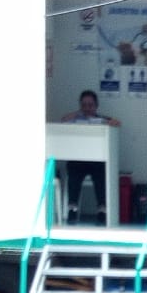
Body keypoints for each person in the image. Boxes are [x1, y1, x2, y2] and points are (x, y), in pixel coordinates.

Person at [59, 89, 121, 221]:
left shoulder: (101, 120)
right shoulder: (74, 119)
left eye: (90, 105)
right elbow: (62, 120)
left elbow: (117, 123)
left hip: (96, 161)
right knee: (73, 170)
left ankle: (102, 210)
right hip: (79, 160)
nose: (87, 108)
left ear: (96, 106)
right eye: (84, 105)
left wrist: (103, 120)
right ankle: (72, 209)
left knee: (102, 172)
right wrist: (79, 113)